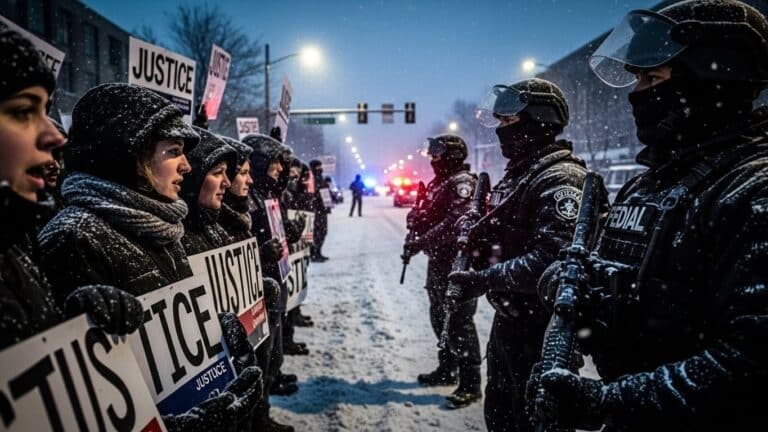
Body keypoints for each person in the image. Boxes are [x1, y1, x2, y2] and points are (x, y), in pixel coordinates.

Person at [531, 1, 768, 431]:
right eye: (638, 77)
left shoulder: (752, 191)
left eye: (653, 77)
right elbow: (625, 284)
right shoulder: (652, 184)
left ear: (713, 81)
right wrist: (572, 290)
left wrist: (607, 402)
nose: (636, 93)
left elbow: (750, 362)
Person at [37, 83, 262, 432]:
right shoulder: (74, 238)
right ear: (129, 154)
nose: (187, 166)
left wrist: (221, 334)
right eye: (173, 151)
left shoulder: (164, 226)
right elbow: (87, 402)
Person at [446, 78, 593, 431]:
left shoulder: (560, 178)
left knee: (530, 421)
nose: (501, 131)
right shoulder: (520, 176)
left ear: (539, 120)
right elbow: (506, 242)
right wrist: (476, 239)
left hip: (541, 330)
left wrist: (483, 279)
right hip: (510, 322)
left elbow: (552, 260)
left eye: (510, 122)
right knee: (500, 414)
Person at [0, 26, 143, 349]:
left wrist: (72, 323)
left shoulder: (14, 244)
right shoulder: (65, 232)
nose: (56, 139)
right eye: (24, 111)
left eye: (44, 111)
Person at [405, 134, 483, 408]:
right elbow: (431, 215)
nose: (433, 159)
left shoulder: (462, 183)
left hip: (458, 263)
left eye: (438, 154)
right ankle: (447, 368)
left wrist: (421, 242)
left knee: (459, 321)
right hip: (439, 262)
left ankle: (471, 384)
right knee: (439, 316)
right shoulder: (441, 183)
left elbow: (455, 223)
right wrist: (416, 218)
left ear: (452, 155)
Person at [243, 133, 298, 432]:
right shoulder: (247, 197)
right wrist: (260, 254)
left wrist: (287, 229)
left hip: (276, 281)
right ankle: (258, 419)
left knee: (273, 356)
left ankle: (265, 405)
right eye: (275, 162)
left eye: (282, 163)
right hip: (259, 288)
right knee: (262, 359)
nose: (280, 168)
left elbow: (278, 186)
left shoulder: (267, 193)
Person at [179, 126, 238, 255]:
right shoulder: (177, 242)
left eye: (226, 173)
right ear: (193, 179)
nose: (227, 183)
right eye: (217, 173)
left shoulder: (215, 228)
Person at [218, 136, 255, 242]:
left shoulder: (240, 222)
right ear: (229, 175)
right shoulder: (221, 226)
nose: (250, 180)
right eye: (243, 173)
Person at [309, 159, 330, 261]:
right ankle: (314, 254)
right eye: (318, 167)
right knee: (316, 233)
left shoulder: (321, 178)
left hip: (322, 210)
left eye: (320, 166)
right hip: (315, 210)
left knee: (323, 231)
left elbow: (325, 193)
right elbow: (312, 194)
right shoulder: (310, 179)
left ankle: (318, 252)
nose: (320, 169)